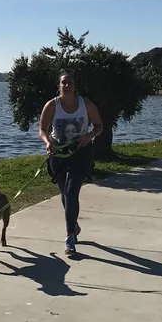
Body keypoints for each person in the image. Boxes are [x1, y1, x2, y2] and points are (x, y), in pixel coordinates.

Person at [38, 70, 104, 257]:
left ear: (75, 86)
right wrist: (48, 142)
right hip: (58, 152)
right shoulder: (52, 105)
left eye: (70, 83)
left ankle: (69, 237)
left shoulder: (86, 105)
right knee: (64, 192)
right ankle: (73, 224)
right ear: (58, 86)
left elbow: (99, 126)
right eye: (63, 83)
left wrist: (89, 135)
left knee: (71, 190)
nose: (67, 86)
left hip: (80, 153)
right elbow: (42, 130)